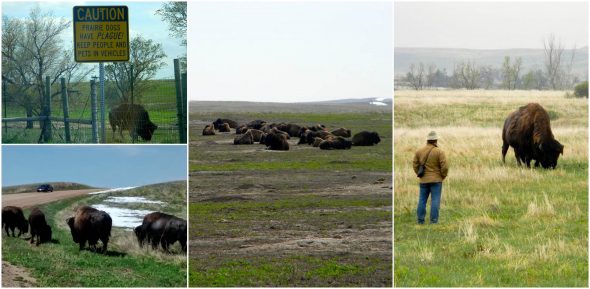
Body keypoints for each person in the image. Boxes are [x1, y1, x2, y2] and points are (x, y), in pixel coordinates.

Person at [413, 131, 448, 224]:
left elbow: (415, 165)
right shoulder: (439, 151)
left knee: (422, 200)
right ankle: (433, 221)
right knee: (435, 200)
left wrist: (420, 174)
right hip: (436, 180)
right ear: (436, 140)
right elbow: (444, 166)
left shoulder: (419, 151)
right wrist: (442, 176)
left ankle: (420, 220)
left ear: (427, 140)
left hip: (423, 181)